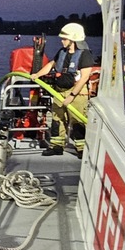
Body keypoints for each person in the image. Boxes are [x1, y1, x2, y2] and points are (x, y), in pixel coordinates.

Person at [30, 21, 96, 155]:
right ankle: (56, 146)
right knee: (57, 118)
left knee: (77, 119)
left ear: (73, 39)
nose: (62, 41)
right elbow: (51, 64)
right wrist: (37, 74)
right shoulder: (62, 52)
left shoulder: (84, 54)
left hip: (77, 93)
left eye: (64, 39)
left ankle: (81, 148)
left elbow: (84, 77)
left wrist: (72, 96)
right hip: (59, 91)